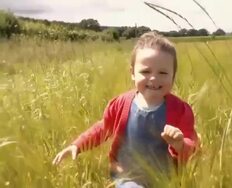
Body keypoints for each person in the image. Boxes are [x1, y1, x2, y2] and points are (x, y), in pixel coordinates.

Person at [52, 31, 198, 187]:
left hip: (165, 179)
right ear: (132, 74)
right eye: (145, 72)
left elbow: (192, 143)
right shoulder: (121, 104)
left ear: (173, 76)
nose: (154, 78)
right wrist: (77, 145)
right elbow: (103, 128)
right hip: (127, 175)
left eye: (163, 72)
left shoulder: (180, 110)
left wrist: (181, 145)